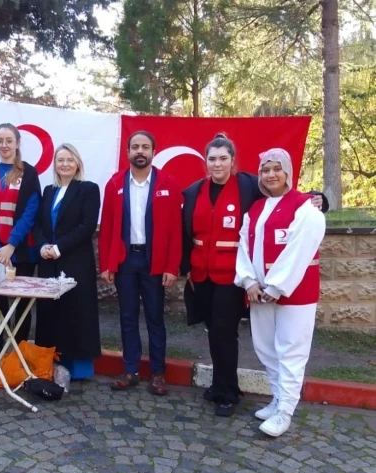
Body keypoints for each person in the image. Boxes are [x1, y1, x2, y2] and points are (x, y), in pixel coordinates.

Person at [181, 134, 329, 417]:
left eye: (223, 158)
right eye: (212, 158)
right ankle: (220, 384)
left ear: (233, 161)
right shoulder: (194, 191)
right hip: (203, 273)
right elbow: (186, 230)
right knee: (213, 331)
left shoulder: (249, 186)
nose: (217, 164)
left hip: (233, 275)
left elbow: (286, 200)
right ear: (205, 161)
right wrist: (185, 268)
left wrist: (320, 200)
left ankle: (227, 394)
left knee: (225, 333)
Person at [235, 148, 325, 437]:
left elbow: (299, 252)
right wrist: (249, 281)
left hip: (293, 294)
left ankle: (286, 409)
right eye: (265, 169)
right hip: (259, 293)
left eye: (276, 168)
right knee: (265, 348)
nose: (270, 174)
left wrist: (276, 286)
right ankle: (276, 398)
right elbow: (244, 248)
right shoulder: (256, 209)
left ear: (287, 171)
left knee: (291, 350)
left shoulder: (305, 209)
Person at [99, 131, 182, 396]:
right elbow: (108, 227)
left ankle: (158, 373)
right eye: (135, 147)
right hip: (126, 260)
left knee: (155, 317)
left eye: (145, 146)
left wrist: (172, 266)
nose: (140, 151)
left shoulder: (167, 183)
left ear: (153, 152)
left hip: (154, 260)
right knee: (127, 316)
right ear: (128, 152)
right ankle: (130, 370)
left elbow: (175, 230)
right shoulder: (114, 184)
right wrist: (107, 264)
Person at [34, 143, 101, 379]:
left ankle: (78, 368)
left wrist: (59, 248)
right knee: (49, 314)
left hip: (75, 262)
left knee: (76, 314)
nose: (65, 164)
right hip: (48, 263)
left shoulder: (89, 189)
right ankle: (47, 364)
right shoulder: (48, 191)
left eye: (70, 160)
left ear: (78, 164)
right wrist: (43, 246)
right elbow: (39, 224)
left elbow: (87, 226)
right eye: (60, 160)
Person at [0, 123, 41, 345]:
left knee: (21, 306)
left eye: (9, 141)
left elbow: (31, 212)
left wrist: (11, 245)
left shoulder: (29, 173)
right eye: (0, 141)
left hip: (22, 251)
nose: (4, 145)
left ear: (18, 143)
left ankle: (19, 349)